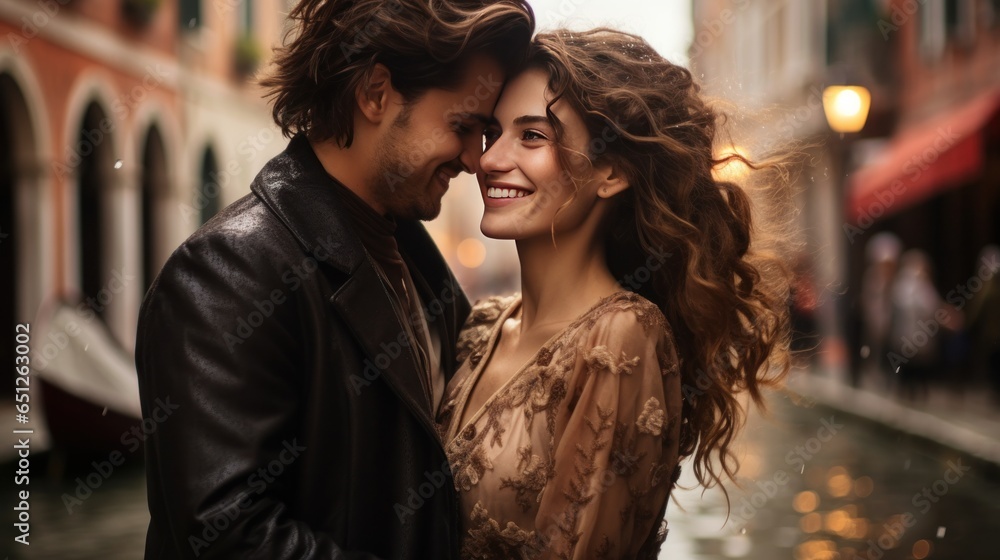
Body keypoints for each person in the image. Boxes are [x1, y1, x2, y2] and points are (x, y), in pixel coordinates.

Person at [134, 0, 534, 558]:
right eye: (463, 126)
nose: (474, 159)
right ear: (374, 93)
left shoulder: (416, 261)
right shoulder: (229, 273)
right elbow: (227, 535)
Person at [434, 29, 793, 559]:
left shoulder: (622, 336)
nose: (490, 160)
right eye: (493, 133)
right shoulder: (484, 324)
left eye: (532, 137)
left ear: (611, 172)